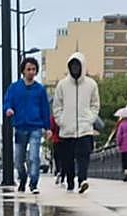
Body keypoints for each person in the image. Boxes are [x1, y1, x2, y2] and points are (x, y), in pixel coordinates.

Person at [51, 51, 100, 194]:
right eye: (72, 66)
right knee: (67, 159)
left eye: (77, 66)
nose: (75, 69)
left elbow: (95, 104)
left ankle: (82, 180)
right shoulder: (62, 85)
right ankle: (70, 181)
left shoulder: (91, 84)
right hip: (67, 130)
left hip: (85, 129)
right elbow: (57, 106)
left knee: (84, 155)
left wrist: (90, 118)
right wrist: (61, 121)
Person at [2, 56, 51, 195]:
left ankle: (33, 184)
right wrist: (8, 109)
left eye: (34, 69)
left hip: (35, 127)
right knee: (18, 159)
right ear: (23, 71)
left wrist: (47, 128)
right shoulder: (14, 88)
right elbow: (7, 101)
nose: (31, 72)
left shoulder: (40, 90)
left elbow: (45, 109)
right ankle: (22, 178)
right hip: (20, 127)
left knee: (34, 157)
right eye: (28, 69)